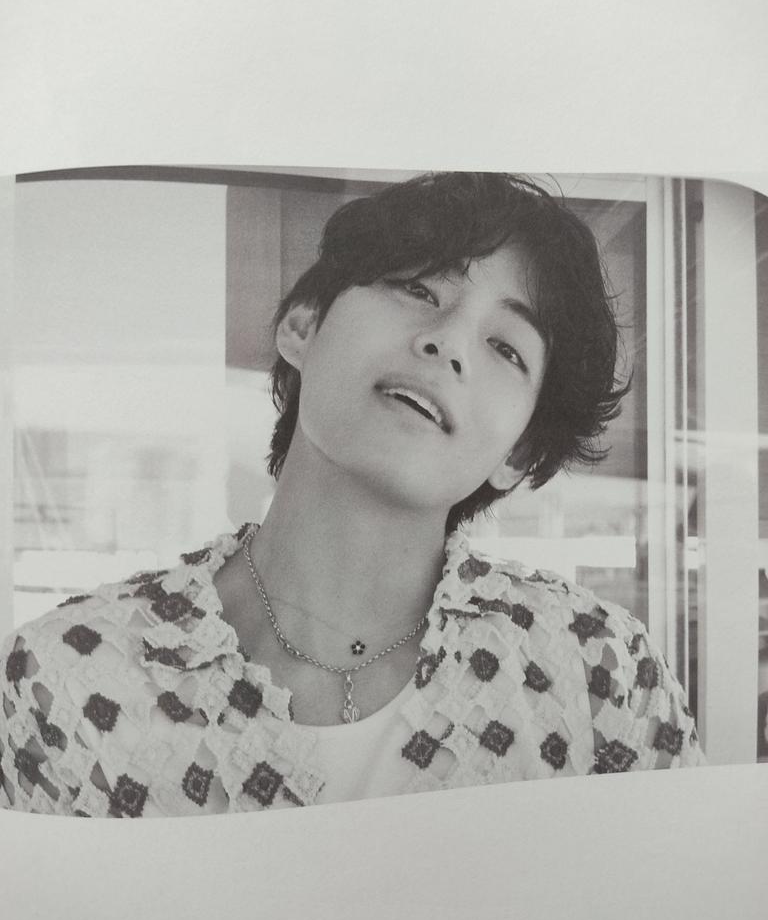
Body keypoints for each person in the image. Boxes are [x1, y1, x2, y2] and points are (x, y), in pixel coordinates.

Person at [0, 171, 703, 817]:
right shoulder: (62, 680)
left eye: (506, 348)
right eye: (419, 289)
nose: (449, 343)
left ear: (518, 454)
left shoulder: (597, 671)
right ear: (303, 326)